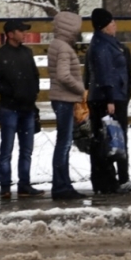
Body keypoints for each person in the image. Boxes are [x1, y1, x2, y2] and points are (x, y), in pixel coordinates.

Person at [0, 19, 43, 199]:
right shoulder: (1, 56)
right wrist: (12, 92)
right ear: (10, 34)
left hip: (25, 107)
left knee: (26, 150)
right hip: (10, 108)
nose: (24, 33)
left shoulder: (26, 53)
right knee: (8, 149)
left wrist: (32, 94)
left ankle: (23, 184)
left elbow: (34, 75)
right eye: (20, 31)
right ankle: (5, 186)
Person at [87, 8, 131, 195]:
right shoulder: (102, 46)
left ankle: (111, 180)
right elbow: (105, 73)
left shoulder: (108, 44)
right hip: (108, 98)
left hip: (111, 96)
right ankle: (109, 181)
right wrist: (110, 98)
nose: (115, 25)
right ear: (104, 26)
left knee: (108, 139)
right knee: (110, 139)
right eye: (111, 22)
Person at [48, 11, 86, 200]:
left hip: (60, 99)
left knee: (63, 143)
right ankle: (61, 186)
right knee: (64, 144)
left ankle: (62, 184)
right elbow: (64, 76)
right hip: (64, 99)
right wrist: (81, 90)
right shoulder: (64, 48)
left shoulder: (56, 44)